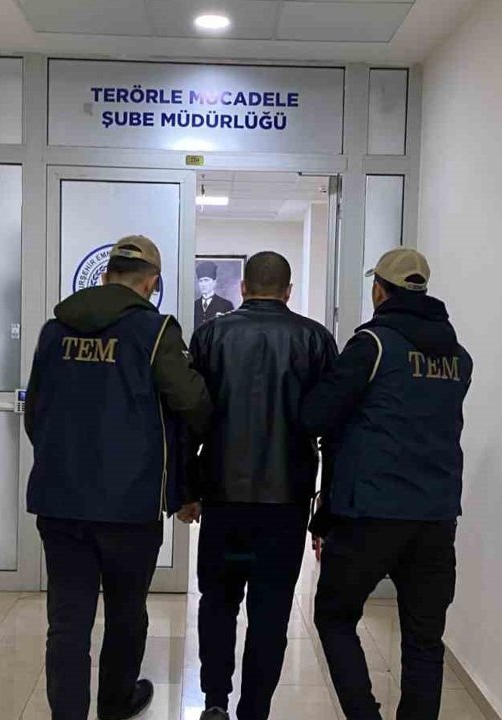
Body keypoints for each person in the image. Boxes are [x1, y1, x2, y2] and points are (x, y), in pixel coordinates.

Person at [25, 235, 212, 720]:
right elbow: (192, 402)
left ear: (107, 275)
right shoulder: (155, 332)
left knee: (67, 621)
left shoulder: (54, 330)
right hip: (131, 504)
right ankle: (115, 704)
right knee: (126, 614)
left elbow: (35, 411)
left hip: (60, 500)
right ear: (151, 283)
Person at [302, 248, 473, 720]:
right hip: (436, 517)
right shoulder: (458, 357)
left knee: (335, 616)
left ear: (379, 290)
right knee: (424, 638)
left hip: (370, 513)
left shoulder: (372, 345)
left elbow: (316, 415)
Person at [182, 251, 338, 720]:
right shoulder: (315, 339)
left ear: (244, 288)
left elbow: (191, 418)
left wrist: (188, 488)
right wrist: (326, 506)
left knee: (218, 603)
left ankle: (214, 700)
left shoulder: (210, 336)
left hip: (222, 495)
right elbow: (332, 425)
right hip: (286, 500)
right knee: (270, 612)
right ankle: (254, 710)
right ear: (288, 291)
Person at [194, 260, 236, 330]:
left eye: (206, 280)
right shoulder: (194, 305)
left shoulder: (226, 305)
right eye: (201, 281)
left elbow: (230, 329)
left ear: (214, 282)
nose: (203, 284)